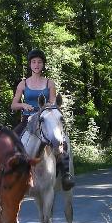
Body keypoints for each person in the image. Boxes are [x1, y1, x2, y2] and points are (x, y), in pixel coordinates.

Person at [11, 48, 75, 190]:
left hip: (46, 120)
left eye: (39, 62)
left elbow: (53, 105)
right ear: (30, 65)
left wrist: (45, 109)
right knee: (10, 141)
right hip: (27, 120)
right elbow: (13, 105)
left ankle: (65, 174)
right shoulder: (23, 84)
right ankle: (10, 175)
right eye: (33, 62)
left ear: (43, 65)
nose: (36, 65)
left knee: (60, 140)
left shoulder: (49, 83)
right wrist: (23, 105)